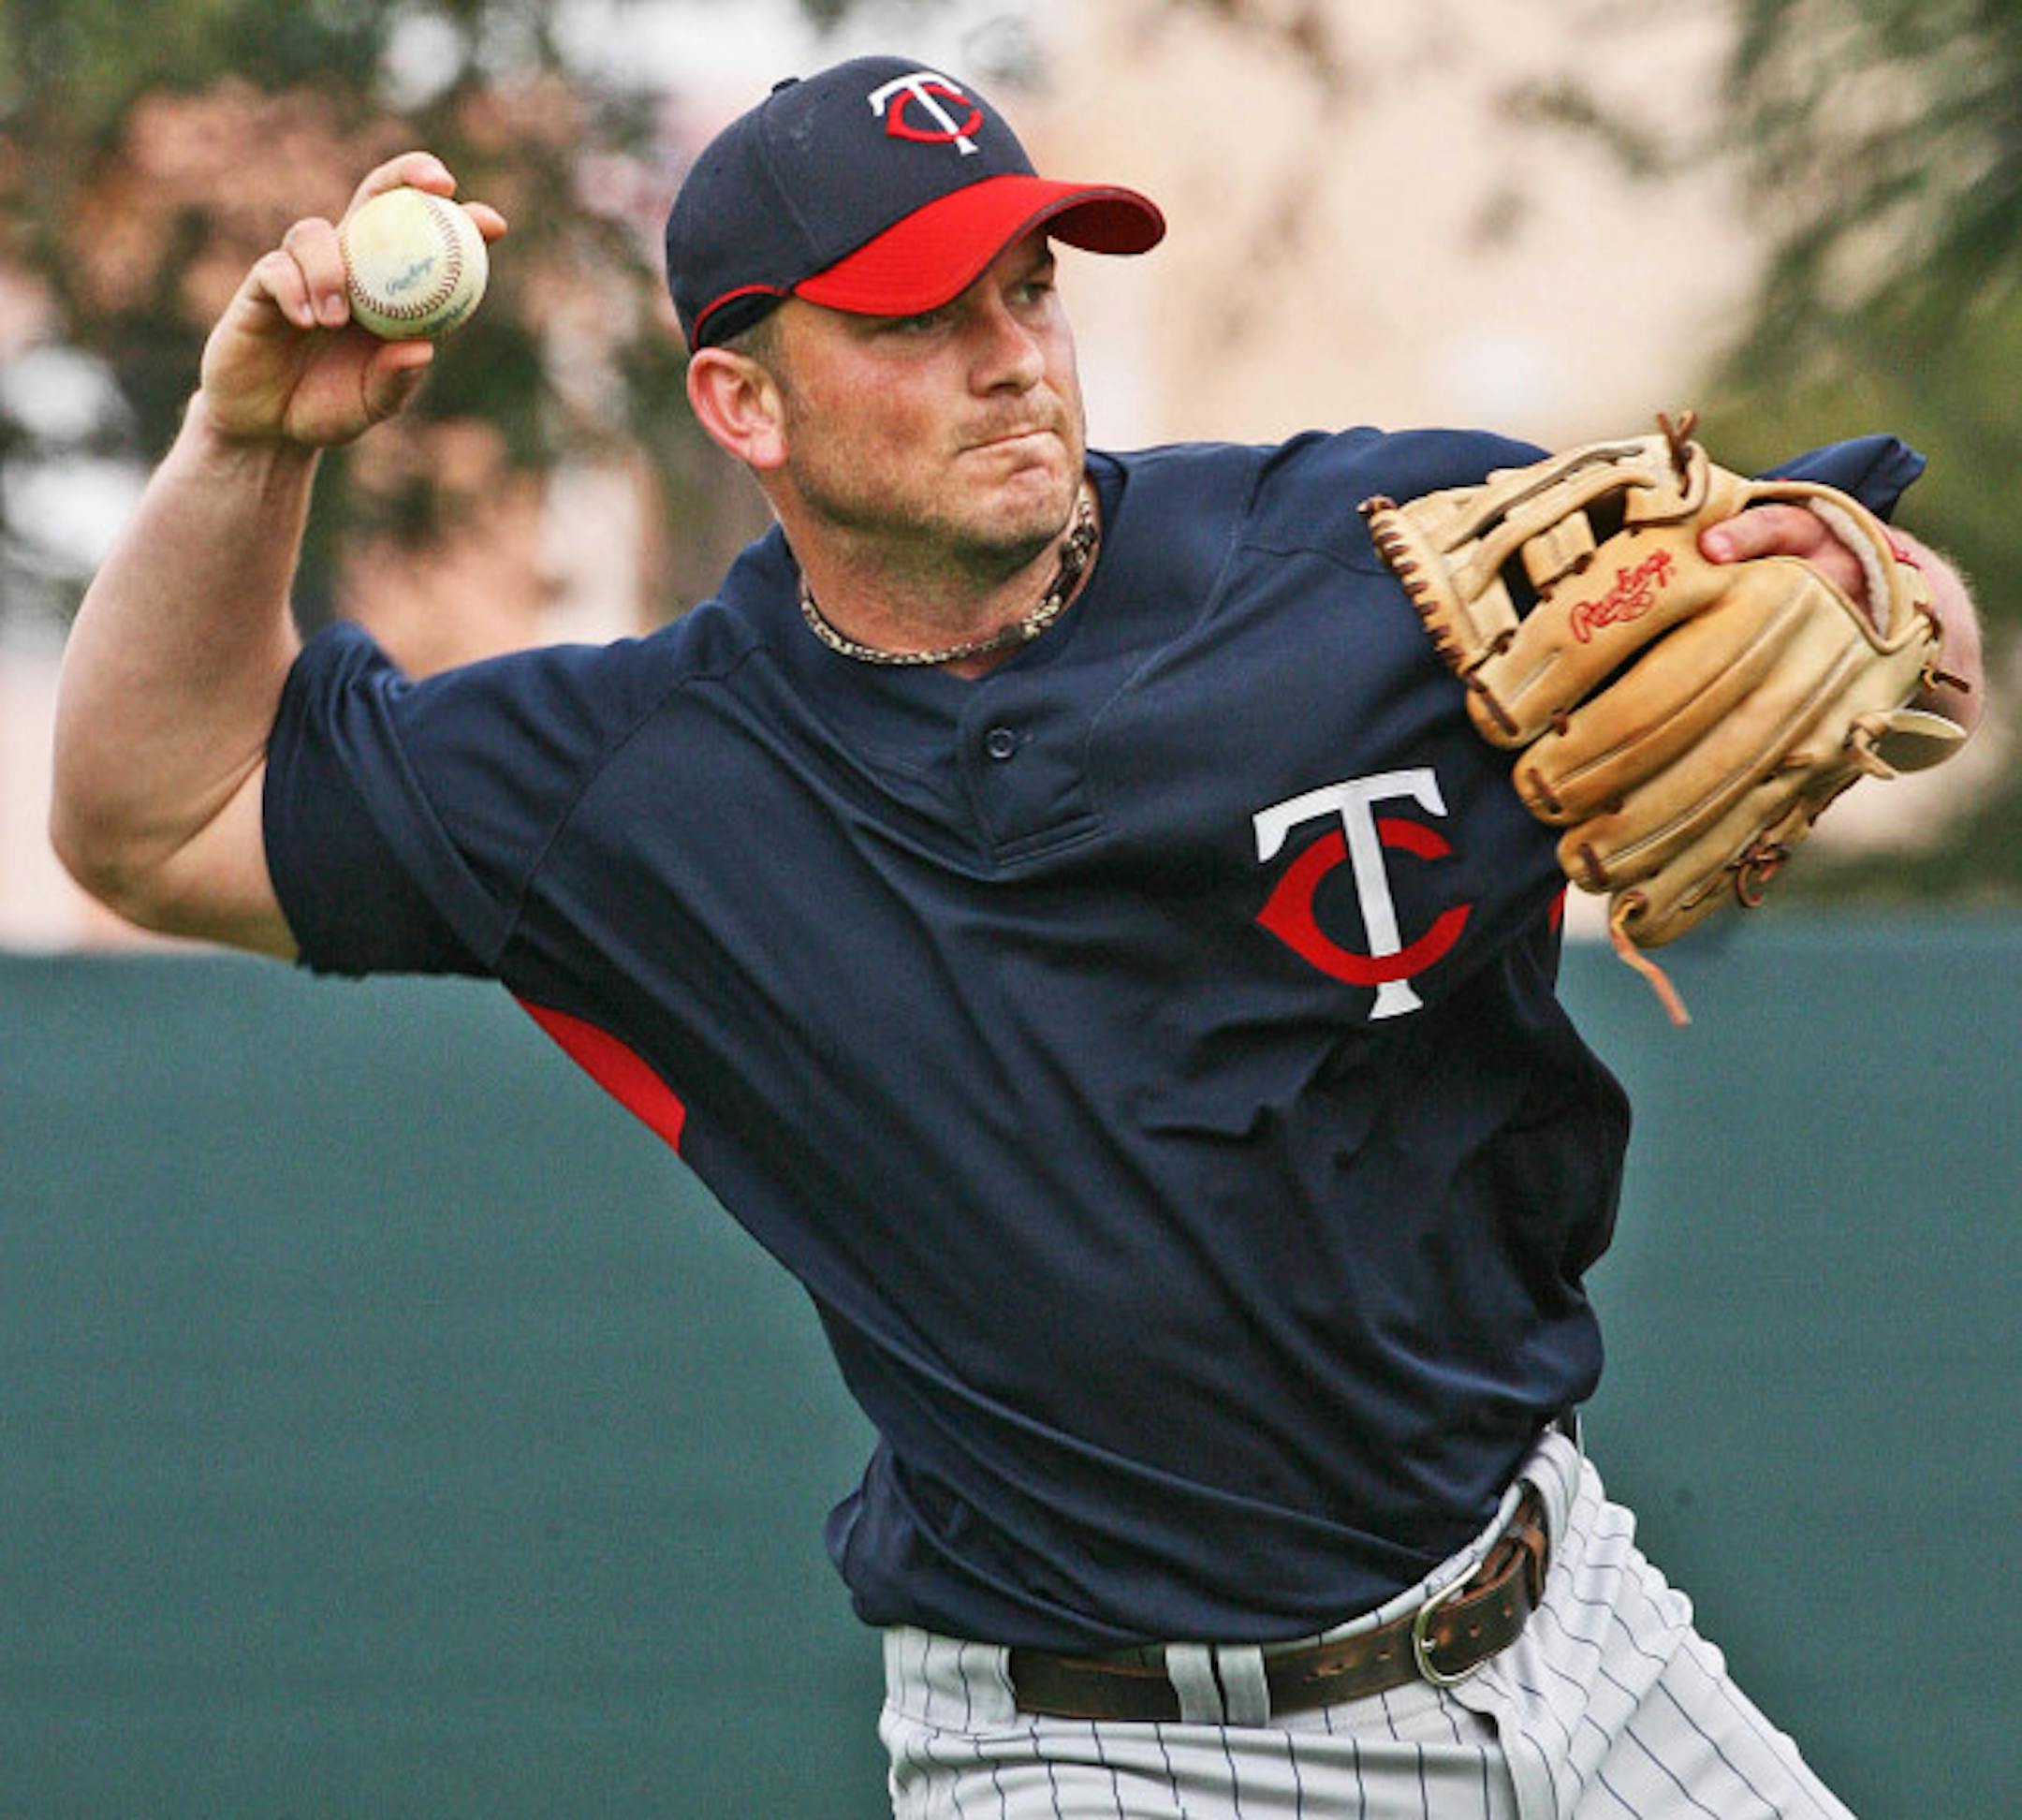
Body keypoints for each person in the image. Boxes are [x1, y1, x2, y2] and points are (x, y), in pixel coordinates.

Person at [51, 52, 1984, 1820]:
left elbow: (1916, 635)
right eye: (918, 315)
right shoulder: (636, 784)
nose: (1012, 360)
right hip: (1108, 1750)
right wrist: (248, 445)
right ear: (744, 402)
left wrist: (1860, 587)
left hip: (1568, 1633)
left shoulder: (1367, 549)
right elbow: (154, 820)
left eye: (1031, 290)